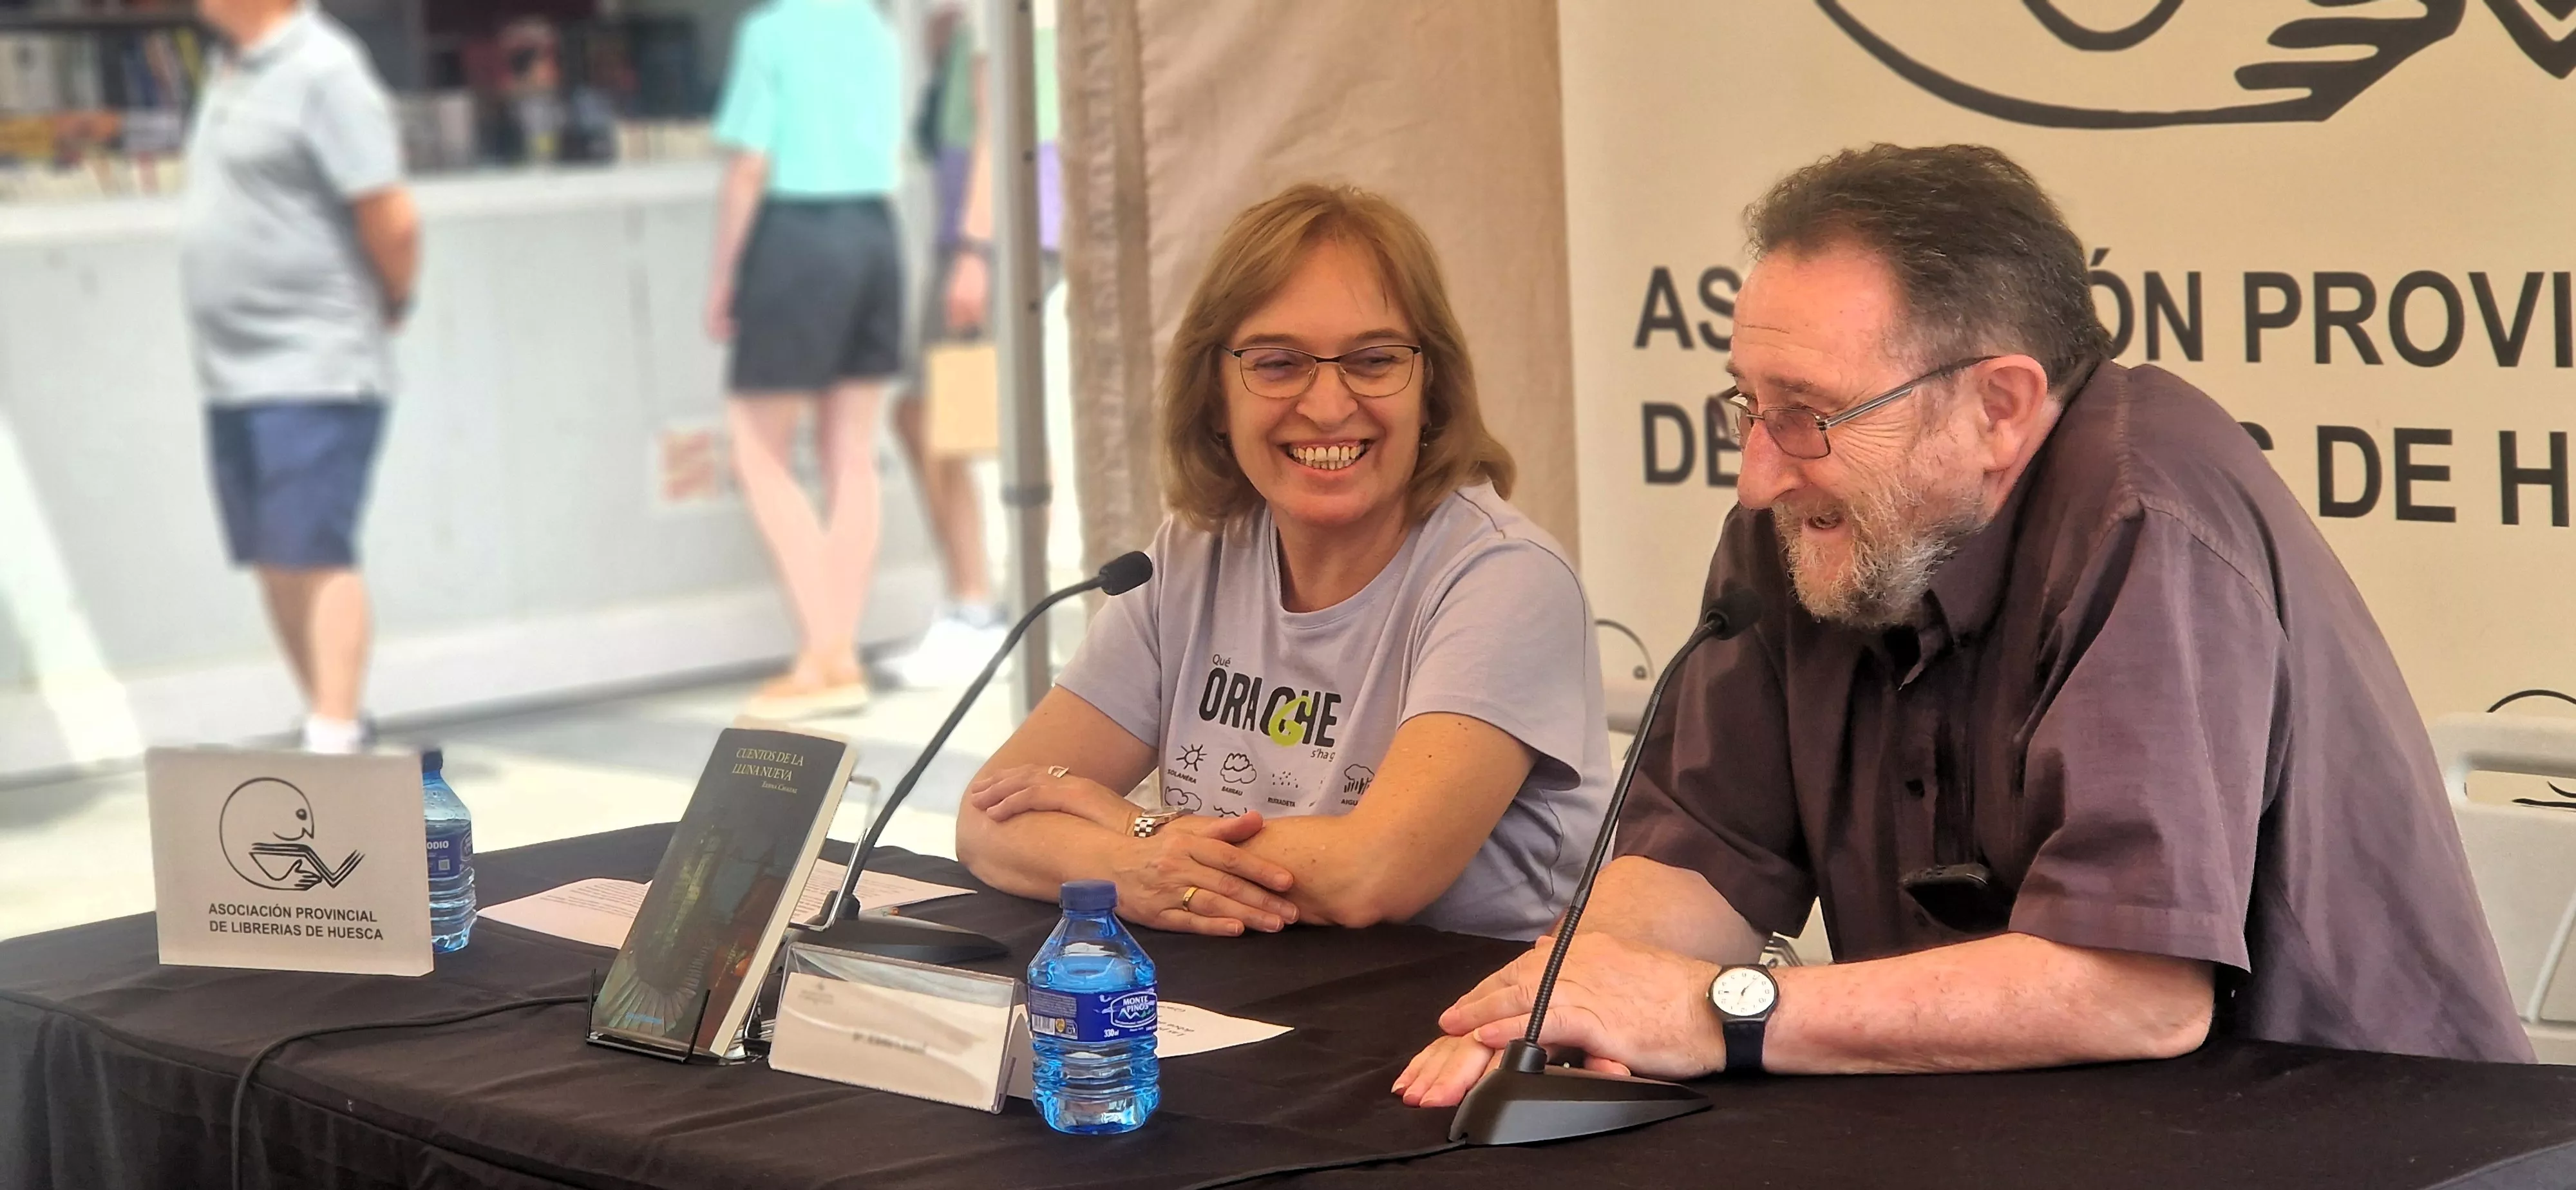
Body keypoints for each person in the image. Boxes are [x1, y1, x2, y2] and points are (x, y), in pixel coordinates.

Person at [1397, 144, 2532, 1106]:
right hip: (2031, 1125)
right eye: (1749, 402)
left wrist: (1722, 1011)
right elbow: (1707, 863)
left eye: (1807, 414)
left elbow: (2134, 989)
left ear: (1998, 407)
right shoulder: (1807, 519)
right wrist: (1556, 998)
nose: (1754, 475)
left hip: (2356, 1133)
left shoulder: (2146, 513)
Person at [953, 184, 1609, 941]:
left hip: (1453, 1027)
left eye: (1373, 360)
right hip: (1235, 1000)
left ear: (1432, 389)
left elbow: (1373, 874)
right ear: (1215, 395)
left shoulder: (1506, 578)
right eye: (1277, 364)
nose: (1328, 406)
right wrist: (1134, 864)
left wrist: (1131, 827)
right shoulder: (1191, 553)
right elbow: (988, 819)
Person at [183, 0, 419, 754]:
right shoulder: (234, 68)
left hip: (313, 362)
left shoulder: (325, 70)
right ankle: (326, 717)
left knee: (315, 550)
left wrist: (394, 299)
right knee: (274, 556)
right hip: (234, 372)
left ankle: (336, 734)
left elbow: (392, 215)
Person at [705, 0, 906, 717]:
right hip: (876, 234)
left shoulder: (769, 32)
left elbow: (748, 167)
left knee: (759, 450)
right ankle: (837, 652)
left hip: (797, 236)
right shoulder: (874, 29)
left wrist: (725, 275)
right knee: (852, 450)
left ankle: (825, 654)